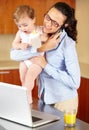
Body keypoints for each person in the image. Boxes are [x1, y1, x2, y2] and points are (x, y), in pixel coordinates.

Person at [11, 2, 80, 113]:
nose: (48, 24)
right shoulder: (37, 31)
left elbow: (75, 82)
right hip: (44, 99)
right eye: (48, 18)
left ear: (64, 25)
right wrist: (43, 48)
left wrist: (45, 65)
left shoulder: (67, 44)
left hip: (64, 102)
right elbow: (14, 54)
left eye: (55, 23)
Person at [10, 5, 47, 104]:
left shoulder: (40, 30)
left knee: (29, 78)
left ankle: (25, 101)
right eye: (19, 26)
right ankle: (28, 100)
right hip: (25, 61)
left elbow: (45, 41)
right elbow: (14, 44)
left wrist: (41, 39)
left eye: (25, 25)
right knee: (23, 80)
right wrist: (20, 45)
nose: (22, 28)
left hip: (37, 61)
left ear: (33, 20)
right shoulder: (20, 33)